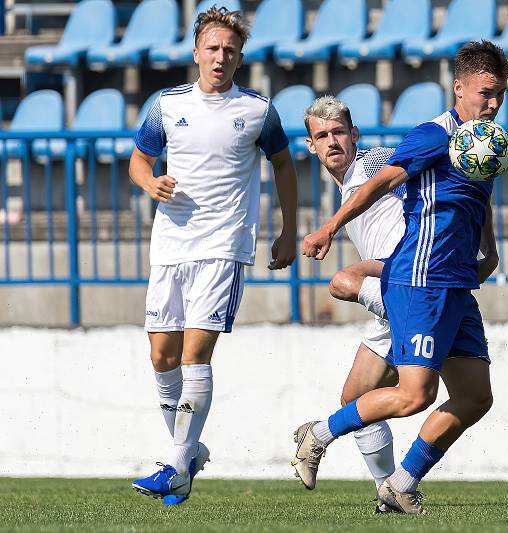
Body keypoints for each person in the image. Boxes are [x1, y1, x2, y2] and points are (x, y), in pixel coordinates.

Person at [291, 40, 506, 514]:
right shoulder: (433, 136)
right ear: (459, 87)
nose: (493, 104)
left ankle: (399, 482)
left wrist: (489, 247)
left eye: (499, 94)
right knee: (414, 395)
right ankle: (319, 435)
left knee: (474, 397)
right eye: (485, 93)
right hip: (419, 279)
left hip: (456, 284)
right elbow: (381, 180)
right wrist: (328, 227)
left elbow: (478, 200)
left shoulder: (486, 144)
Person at [128, 6, 297, 506]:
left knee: (194, 354)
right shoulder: (166, 104)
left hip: (225, 244)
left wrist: (289, 230)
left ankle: (176, 465)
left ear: (240, 56)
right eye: (213, 48)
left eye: (230, 49)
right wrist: (150, 181)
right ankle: (187, 454)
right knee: (161, 356)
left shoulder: (257, 110)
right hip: (170, 244)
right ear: (197, 52)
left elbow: (284, 165)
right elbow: (139, 159)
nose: (220, 56)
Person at [301, 95, 403, 505]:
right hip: (389, 298)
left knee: (430, 393)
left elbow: (414, 168)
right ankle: (388, 488)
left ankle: (321, 437)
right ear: (311, 146)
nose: (332, 141)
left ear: (354, 134)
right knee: (356, 400)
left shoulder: (376, 160)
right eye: (321, 135)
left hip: (412, 289)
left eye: (339, 131)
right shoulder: (342, 189)